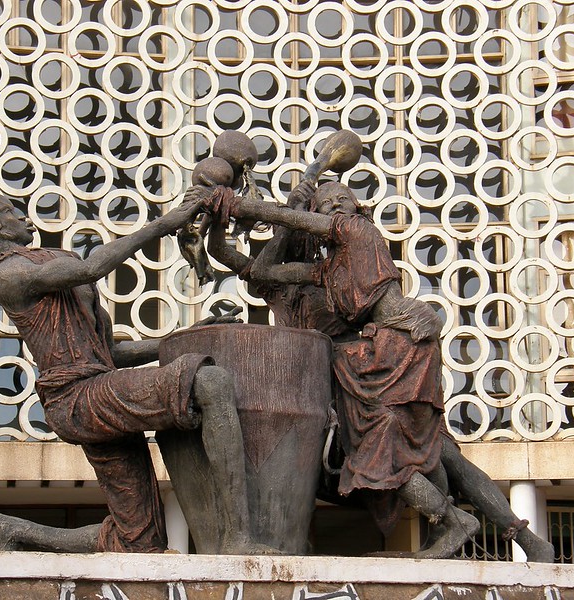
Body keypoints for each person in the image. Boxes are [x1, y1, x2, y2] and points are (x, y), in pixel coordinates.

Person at [0, 191, 267, 555]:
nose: (24, 216)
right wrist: (163, 225)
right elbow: (92, 269)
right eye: (11, 211)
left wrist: (186, 337)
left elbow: (112, 353)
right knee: (210, 383)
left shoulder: (60, 259)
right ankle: (238, 539)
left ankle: (14, 530)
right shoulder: (9, 275)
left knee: (140, 543)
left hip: (99, 392)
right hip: (76, 399)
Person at [188, 180, 480, 558]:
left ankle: (453, 523)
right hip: (369, 357)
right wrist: (220, 219)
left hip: (399, 344)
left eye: (344, 199)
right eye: (326, 204)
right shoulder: (326, 271)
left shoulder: (356, 231)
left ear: (357, 208)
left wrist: (235, 203)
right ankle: (449, 523)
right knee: (400, 446)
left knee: (385, 453)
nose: (336, 206)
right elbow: (261, 269)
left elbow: (290, 219)